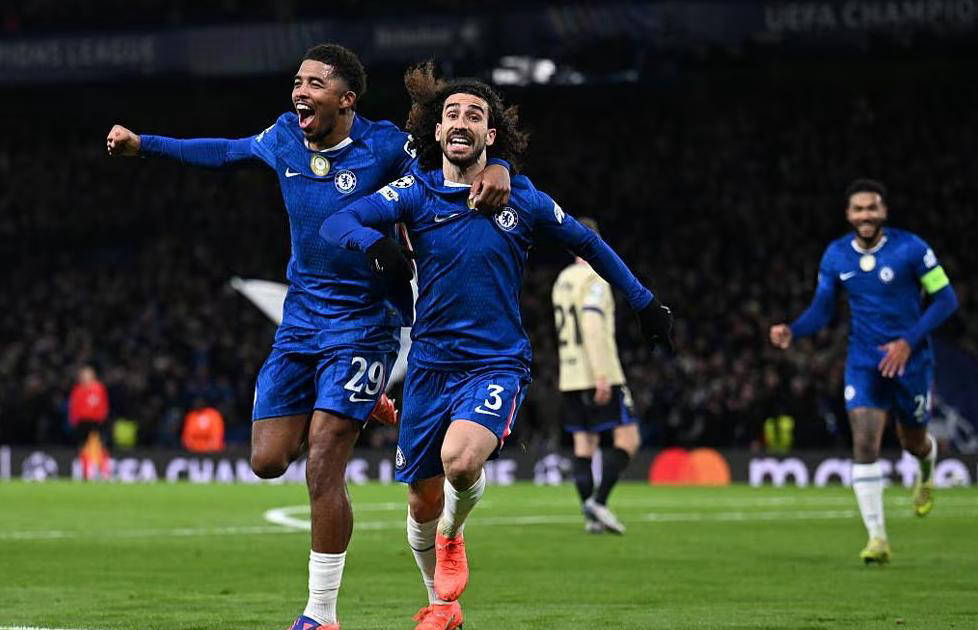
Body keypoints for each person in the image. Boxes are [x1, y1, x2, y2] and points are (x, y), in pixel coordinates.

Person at [105, 44, 512, 630]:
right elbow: (221, 151)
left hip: (364, 325)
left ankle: (321, 614)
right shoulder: (282, 138)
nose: (300, 91)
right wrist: (144, 143)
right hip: (300, 325)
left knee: (323, 462)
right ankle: (364, 398)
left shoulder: (385, 145)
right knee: (268, 460)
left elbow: (454, 158)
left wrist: (501, 170)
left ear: (346, 99)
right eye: (298, 81)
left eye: (314, 83)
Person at [321, 63, 673, 630]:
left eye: (475, 115)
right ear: (437, 131)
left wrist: (644, 302)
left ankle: (453, 534)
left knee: (460, 462)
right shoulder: (415, 191)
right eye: (452, 114)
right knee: (420, 502)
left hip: (495, 363)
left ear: (490, 134)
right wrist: (374, 245)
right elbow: (338, 222)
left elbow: (588, 244)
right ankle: (441, 605)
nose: (462, 121)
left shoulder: (522, 198)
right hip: (430, 366)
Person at [769, 179, 959, 564]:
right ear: (848, 214)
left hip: (910, 360)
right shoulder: (836, 256)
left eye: (872, 207)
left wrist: (908, 341)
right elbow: (823, 309)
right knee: (865, 443)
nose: (865, 215)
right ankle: (877, 539)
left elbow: (946, 300)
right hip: (864, 361)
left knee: (913, 442)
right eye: (858, 209)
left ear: (884, 211)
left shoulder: (912, 249)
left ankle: (926, 468)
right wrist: (794, 329)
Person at [551, 217, 641, 535]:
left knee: (583, 446)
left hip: (570, 375)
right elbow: (591, 325)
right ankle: (599, 503)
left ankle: (590, 516)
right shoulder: (596, 278)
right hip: (599, 373)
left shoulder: (562, 280)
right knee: (629, 439)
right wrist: (602, 374)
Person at [68, 365, 110, 480]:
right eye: (83, 375)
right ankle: (86, 474)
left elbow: (103, 406)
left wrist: (101, 419)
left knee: (99, 448)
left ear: (92, 376)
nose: (84, 378)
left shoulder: (98, 389)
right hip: (81, 423)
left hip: (95, 422)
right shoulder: (77, 390)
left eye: (87, 375)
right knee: (83, 449)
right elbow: (73, 407)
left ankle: (105, 472)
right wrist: (73, 420)